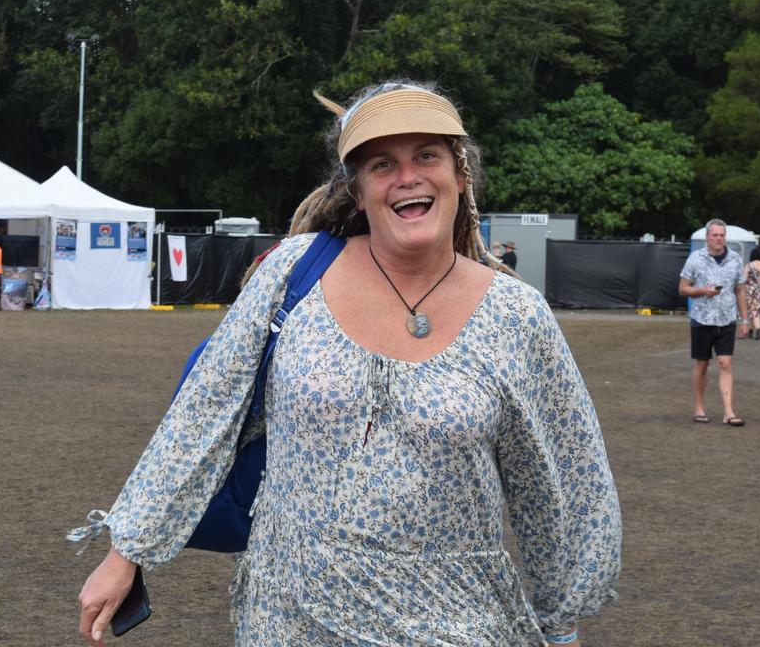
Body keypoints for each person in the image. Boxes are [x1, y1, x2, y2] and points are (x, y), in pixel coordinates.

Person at [74, 82, 621, 647]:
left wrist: (561, 622)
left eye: (427, 155)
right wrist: (127, 550)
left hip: (454, 615)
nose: (408, 176)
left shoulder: (518, 316)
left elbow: (560, 477)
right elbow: (204, 413)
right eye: (382, 164)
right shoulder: (292, 274)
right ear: (357, 192)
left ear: (460, 176)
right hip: (289, 612)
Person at [679, 219, 749, 426]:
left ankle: (729, 411)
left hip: (727, 318)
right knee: (702, 363)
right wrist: (702, 291)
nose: (719, 239)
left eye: (722, 235)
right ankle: (699, 408)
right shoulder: (695, 259)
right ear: (707, 237)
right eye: (715, 235)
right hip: (702, 318)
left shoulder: (736, 259)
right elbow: (683, 288)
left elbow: (740, 290)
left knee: (725, 362)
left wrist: (745, 319)